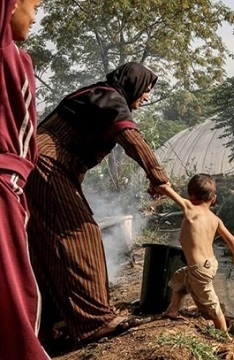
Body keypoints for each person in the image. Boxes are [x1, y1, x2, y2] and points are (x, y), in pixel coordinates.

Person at [25, 62, 171, 343]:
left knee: (48, 246)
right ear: (134, 83)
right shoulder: (108, 98)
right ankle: (94, 321)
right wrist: (158, 176)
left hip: (44, 168)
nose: (148, 96)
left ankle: (60, 322)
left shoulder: (99, 96)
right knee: (82, 234)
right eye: (147, 89)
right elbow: (131, 139)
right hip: (46, 167)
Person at [0, 0, 50, 358]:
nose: (36, 16)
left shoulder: (19, 58)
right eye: (34, 5)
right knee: (17, 299)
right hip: (3, 192)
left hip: (14, 188)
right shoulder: (4, 52)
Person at [156, 174, 234, 332]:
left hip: (199, 269)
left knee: (211, 304)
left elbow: (166, 190)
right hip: (208, 264)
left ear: (190, 195)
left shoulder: (190, 208)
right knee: (179, 279)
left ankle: (225, 336)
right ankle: (173, 309)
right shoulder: (215, 218)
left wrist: (158, 184)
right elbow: (231, 240)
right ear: (214, 198)